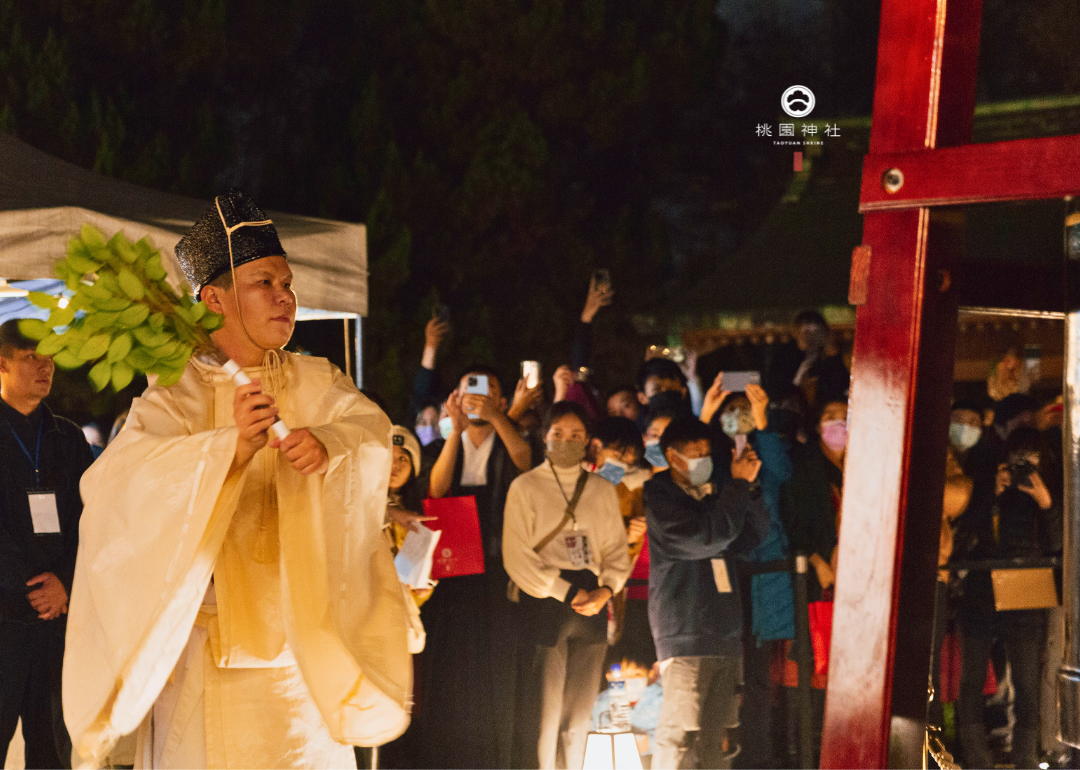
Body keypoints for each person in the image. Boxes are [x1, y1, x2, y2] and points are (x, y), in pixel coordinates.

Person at [63, 189, 412, 769]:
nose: (285, 297)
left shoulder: (317, 380)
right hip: (207, 654)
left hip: (304, 654)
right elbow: (115, 488)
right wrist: (227, 449)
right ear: (214, 299)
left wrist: (329, 444)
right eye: (264, 283)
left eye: (287, 283)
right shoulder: (175, 394)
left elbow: (370, 432)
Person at [504, 401, 631, 770]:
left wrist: (606, 589)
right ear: (544, 437)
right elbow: (517, 556)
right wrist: (565, 591)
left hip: (593, 596)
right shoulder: (525, 487)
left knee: (580, 712)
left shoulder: (602, 490)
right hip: (547, 598)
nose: (566, 441)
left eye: (576, 434)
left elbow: (616, 550)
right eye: (558, 433)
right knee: (543, 710)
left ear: (588, 440)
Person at [418, 364, 532, 768]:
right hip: (453, 570)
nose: (479, 395)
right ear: (455, 397)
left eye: (489, 389)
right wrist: (456, 429)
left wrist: (499, 417)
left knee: (496, 661)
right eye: (469, 389)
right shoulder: (444, 442)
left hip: (499, 567)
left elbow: (524, 463)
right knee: (452, 661)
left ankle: (497, 756)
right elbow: (435, 488)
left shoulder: (510, 439)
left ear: (501, 398)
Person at [644, 417, 770, 769]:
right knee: (682, 735)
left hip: (725, 627)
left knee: (721, 737)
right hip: (684, 629)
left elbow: (751, 536)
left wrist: (750, 488)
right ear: (672, 456)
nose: (704, 460)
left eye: (707, 452)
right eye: (695, 453)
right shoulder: (660, 498)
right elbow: (706, 538)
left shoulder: (715, 494)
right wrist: (737, 488)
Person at [0, 320, 94, 769]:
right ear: (2, 364)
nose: (45, 367)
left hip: (57, 619)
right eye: (31, 357)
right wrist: (29, 584)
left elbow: (91, 518)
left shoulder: (67, 437)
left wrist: (65, 582)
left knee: (53, 749)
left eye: (51, 358)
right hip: (4, 614)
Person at [700, 374, 794, 769]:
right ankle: (718, 753)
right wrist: (705, 415)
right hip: (723, 571)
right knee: (721, 670)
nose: (737, 416)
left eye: (744, 410)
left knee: (756, 673)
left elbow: (782, 471)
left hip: (763, 572)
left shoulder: (764, 456)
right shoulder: (713, 459)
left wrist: (763, 419)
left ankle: (757, 757)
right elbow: (687, 464)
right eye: (731, 410)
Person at [955, 426, 1059, 769]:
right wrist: (991, 494)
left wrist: (1045, 502)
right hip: (981, 593)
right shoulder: (987, 489)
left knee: (1027, 680)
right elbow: (965, 536)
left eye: (1031, 459)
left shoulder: (1048, 493)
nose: (1024, 467)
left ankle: (1025, 755)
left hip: (1026, 593)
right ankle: (975, 756)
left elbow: (1059, 545)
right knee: (972, 678)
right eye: (1017, 459)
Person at [779, 398, 848, 765]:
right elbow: (794, 520)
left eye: (845, 417)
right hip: (820, 577)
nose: (838, 424)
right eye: (829, 416)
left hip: (860, 576)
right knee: (816, 662)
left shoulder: (865, 462)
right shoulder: (806, 466)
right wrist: (819, 561)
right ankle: (809, 751)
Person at [590, 417, 654, 668]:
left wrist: (628, 541)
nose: (623, 466)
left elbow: (631, 548)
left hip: (618, 591)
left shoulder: (634, 488)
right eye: (618, 455)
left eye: (630, 461)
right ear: (596, 446)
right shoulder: (578, 482)